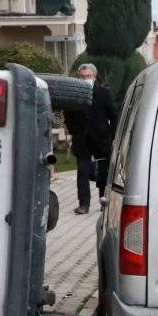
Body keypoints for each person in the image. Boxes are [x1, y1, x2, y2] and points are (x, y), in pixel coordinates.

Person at [63, 64, 118, 214]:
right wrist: (74, 130)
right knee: (83, 172)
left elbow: (113, 116)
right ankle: (84, 204)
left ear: (94, 76)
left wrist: (112, 136)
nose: (86, 79)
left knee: (103, 173)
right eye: (83, 76)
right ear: (79, 77)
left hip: (101, 139)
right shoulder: (75, 94)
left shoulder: (103, 93)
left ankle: (103, 201)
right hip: (82, 140)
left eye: (88, 76)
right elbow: (68, 115)